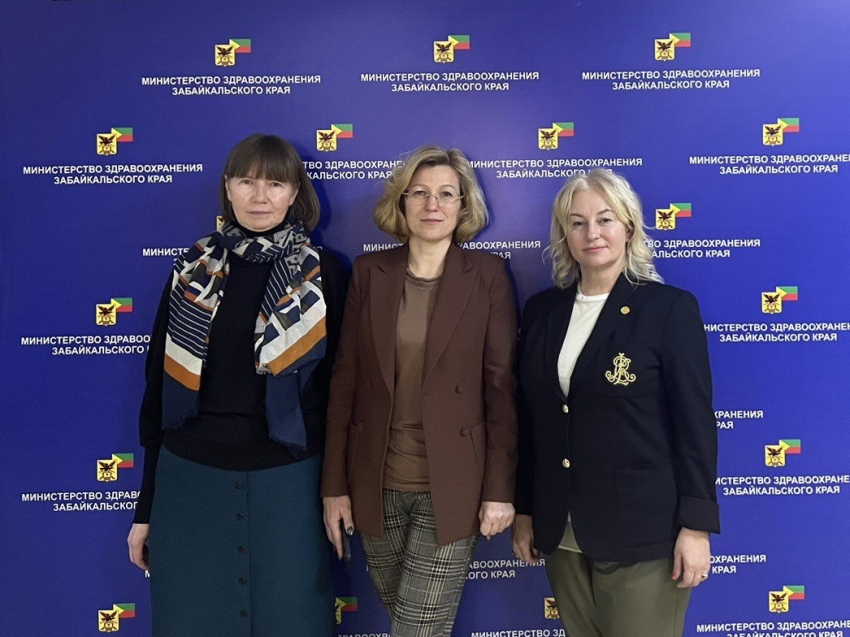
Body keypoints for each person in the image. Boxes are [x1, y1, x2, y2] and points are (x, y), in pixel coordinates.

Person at [126, 134, 347, 637]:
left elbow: (342, 393)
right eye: (247, 181)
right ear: (228, 188)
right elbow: (158, 392)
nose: (260, 196)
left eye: (275, 183)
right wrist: (146, 509)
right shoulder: (192, 268)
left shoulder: (322, 273)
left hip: (290, 485)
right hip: (190, 484)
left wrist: (337, 489)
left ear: (295, 192)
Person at [512, 169, 719, 637]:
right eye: (578, 222)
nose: (592, 233)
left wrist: (696, 527)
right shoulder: (542, 312)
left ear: (628, 226)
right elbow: (533, 422)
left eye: (605, 219)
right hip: (561, 530)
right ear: (564, 234)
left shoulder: (669, 309)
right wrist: (525, 509)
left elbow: (694, 426)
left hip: (643, 533)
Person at [321, 145, 517, 637]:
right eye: (420, 193)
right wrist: (334, 486)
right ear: (402, 202)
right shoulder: (369, 272)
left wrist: (499, 490)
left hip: (452, 485)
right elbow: (344, 382)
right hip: (375, 483)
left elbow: (500, 389)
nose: (433, 205)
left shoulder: (487, 275)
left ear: (463, 205)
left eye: (446, 194)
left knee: (416, 630)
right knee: (414, 626)